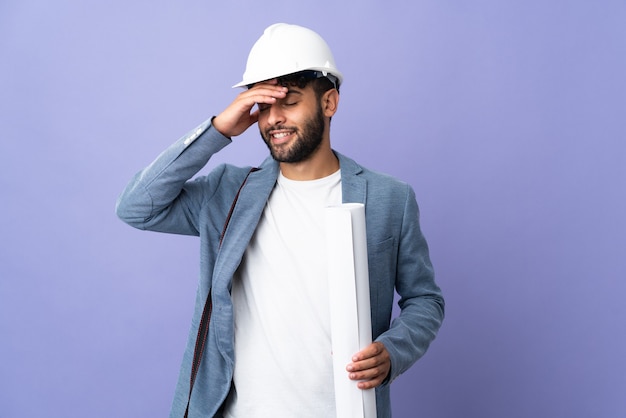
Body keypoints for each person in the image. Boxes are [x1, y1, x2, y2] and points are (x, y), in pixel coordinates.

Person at [116, 23, 444, 418]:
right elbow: (138, 206)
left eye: (288, 101)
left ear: (329, 103)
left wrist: (393, 351)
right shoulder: (228, 193)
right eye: (264, 105)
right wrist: (219, 129)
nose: (273, 119)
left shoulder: (390, 198)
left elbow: (425, 300)